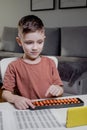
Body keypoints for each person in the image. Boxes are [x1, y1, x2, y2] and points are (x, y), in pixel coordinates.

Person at [2, 15, 63, 110]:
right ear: (19, 41)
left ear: (44, 39)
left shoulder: (50, 63)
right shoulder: (13, 66)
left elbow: (59, 87)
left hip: (48, 108)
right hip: (27, 109)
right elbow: (6, 93)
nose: (35, 47)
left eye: (39, 42)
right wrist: (15, 98)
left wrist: (58, 90)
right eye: (29, 42)